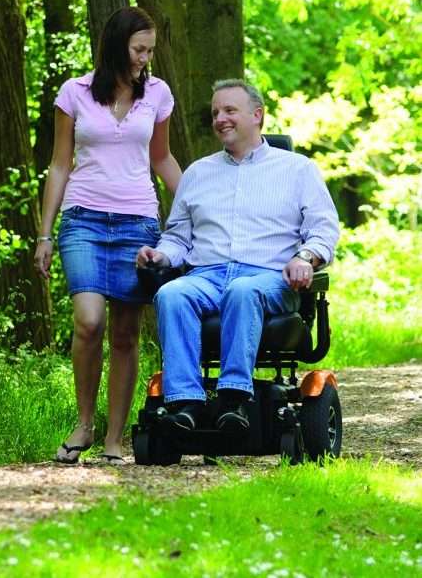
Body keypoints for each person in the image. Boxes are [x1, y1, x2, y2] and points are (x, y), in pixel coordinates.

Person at [136, 79, 340, 432]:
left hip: (269, 277)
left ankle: (235, 400)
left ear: (257, 115)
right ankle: (185, 405)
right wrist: (161, 255)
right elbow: (179, 238)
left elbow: (324, 230)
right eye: (216, 112)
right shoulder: (198, 173)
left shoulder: (297, 169)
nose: (220, 119)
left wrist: (305, 257)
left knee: (242, 290)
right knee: (171, 293)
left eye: (230, 110)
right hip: (207, 275)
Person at [34, 7, 182, 464]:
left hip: (138, 222)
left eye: (150, 50)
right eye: (139, 49)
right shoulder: (74, 93)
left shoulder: (157, 94)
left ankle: (114, 439)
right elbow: (60, 164)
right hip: (84, 220)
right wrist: (44, 233)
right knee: (89, 321)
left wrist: (202, 201)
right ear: (118, 45)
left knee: (124, 333)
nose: (145, 58)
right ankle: (84, 425)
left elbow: (162, 158)